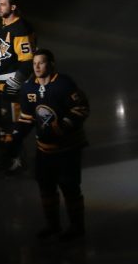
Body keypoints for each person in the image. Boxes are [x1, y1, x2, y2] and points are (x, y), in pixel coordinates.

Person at [14, 49, 90, 241]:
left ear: (51, 64)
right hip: (44, 151)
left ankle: (77, 227)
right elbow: (27, 118)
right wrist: (16, 137)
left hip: (68, 150)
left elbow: (81, 108)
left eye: (41, 63)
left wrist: (62, 126)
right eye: (34, 64)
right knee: (46, 188)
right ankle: (53, 226)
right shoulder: (28, 88)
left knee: (70, 187)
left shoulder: (64, 84)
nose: (37, 67)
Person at [0, 0, 36, 174]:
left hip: (12, 86)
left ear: (13, 7)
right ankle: (6, 158)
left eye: (2, 4)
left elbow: (27, 60)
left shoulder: (21, 29)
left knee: (12, 124)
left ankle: (16, 161)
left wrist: (15, 83)